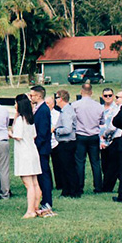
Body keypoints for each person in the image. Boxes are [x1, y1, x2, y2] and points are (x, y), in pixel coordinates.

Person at [13, 95, 49, 218]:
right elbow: (34, 136)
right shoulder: (30, 120)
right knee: (35, 183)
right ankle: (35, 207)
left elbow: (17, 136)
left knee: (28, 184)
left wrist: (10, 133)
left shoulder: (20, 120)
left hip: (24, 154)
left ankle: (30, 211)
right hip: (33, 152)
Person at [67, 87, 106, 197]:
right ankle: (98, 187)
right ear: (92, 92)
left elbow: (72, 119)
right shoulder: (99, 106)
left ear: (81, 92)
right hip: (94, 135)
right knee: (95, 162)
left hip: (81, 135)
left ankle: (79, 186)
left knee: (80, 162)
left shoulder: (75, 105)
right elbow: (102, 121)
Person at [27, 85, 55, 214]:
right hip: (40, 147)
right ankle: (42, 200)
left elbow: (43, 132)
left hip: (42, 148)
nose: (31, 97)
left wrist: (35, 146)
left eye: (32, 95)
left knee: (44, 175)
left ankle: (47, 201)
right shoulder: (38, 108)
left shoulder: (43, 110)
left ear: (39, 96)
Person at [49, 88, 79, 195]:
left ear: (61, 98)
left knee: (68, 168)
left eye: (56, 98)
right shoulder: (66, 110)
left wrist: (56, 130)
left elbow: (67, 129)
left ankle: (72, 190)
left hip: (67, 143)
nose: (55, 100)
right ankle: (67, 189)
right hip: (67, 143)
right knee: (67, 167)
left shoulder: (66, 111)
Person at [98, 89, 122, 193]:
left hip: (112, 139)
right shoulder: (99, 108)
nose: (108, 97)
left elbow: (115, 126)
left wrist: (108, 137)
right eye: (105, 95)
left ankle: (109, 186)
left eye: (110, 95)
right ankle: (105, 184)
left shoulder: (117, 108)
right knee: (104, 164)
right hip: (101, 140)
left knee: (113, 165)